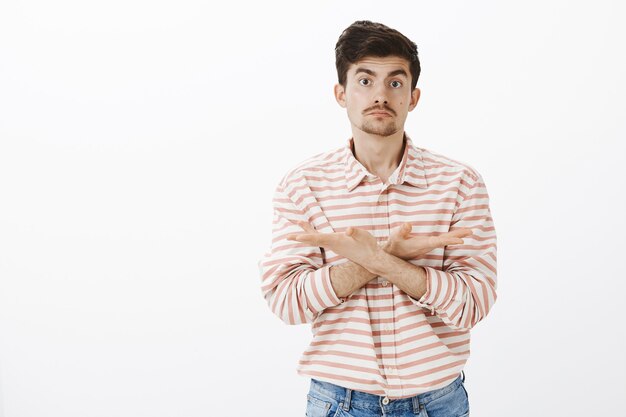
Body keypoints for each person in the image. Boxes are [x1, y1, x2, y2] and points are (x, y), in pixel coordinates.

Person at [258, 20, 497, 417]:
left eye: (395, 83)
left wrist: (380, 260)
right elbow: (286, 301)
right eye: (365, 81)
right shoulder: (303, 185)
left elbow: (474, 302)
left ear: (414, 96)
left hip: (438, 403)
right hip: (339, 403)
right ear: (341, 93)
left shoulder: (460, 184)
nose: (381, 95)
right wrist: (385, 256)